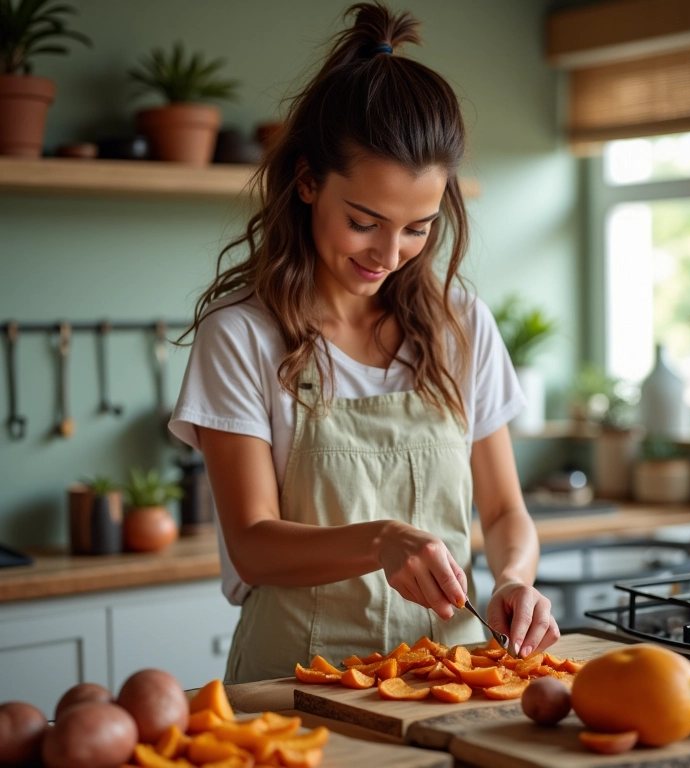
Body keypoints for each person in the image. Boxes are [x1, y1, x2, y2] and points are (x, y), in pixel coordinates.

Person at [170, 1, 560, 683]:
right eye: (364, 222)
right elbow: (254, 546)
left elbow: (502, 511)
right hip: (293, 683)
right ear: (307, 182)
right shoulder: (239, 335)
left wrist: (514, 580)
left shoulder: (460, 324)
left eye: (418, 228)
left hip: (445, 674)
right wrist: (383, 540)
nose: (389, 253)